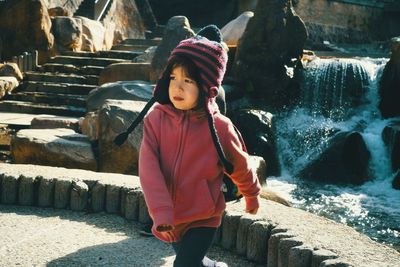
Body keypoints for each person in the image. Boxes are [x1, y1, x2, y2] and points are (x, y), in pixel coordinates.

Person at [115, 25, 260, 267]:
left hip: (204, 216)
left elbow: (240, 164)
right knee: (193, 262)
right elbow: (148, 168)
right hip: (170, 215)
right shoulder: (156, 119)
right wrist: (161, 212)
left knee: (183, 265)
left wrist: (251, 194)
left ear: (206, 86)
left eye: (188, 80)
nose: (177, 87)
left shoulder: (220, 127)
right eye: (173, 78)